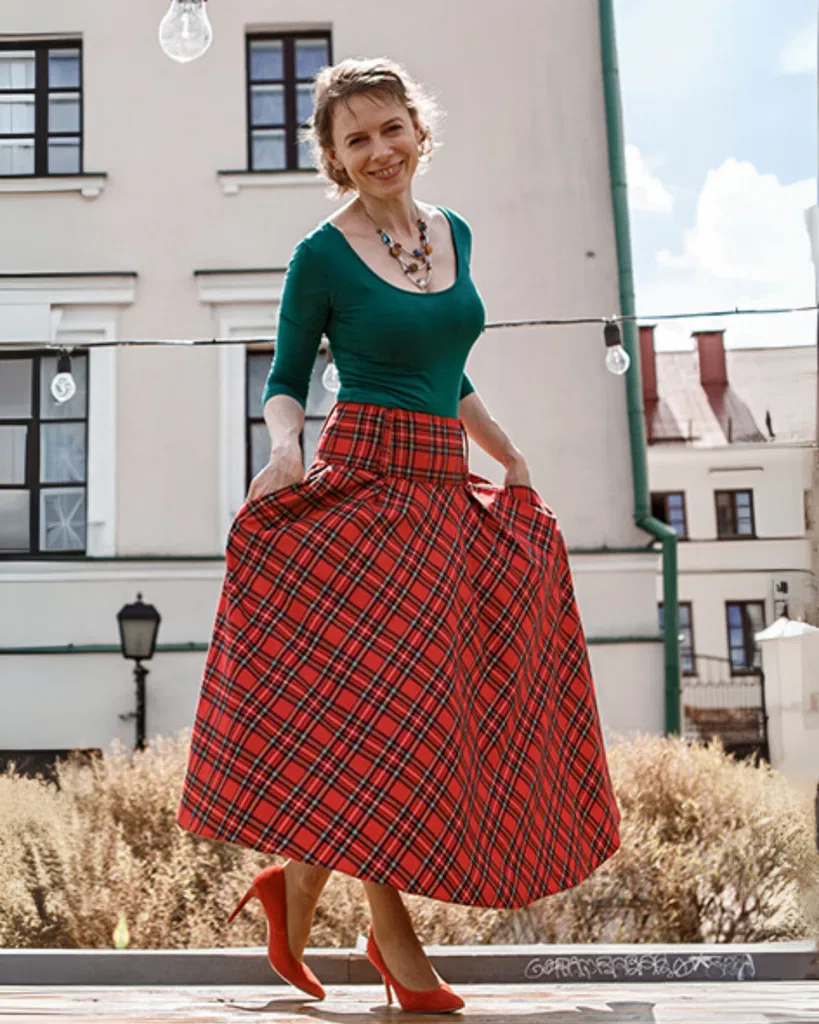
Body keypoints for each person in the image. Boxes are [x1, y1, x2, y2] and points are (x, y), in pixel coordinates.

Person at [177, 56, 620, 1013]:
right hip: (365, 489)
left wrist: (511, 455)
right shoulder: (321, 255)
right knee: (387, 721)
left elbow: (447, 370)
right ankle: (394, 943)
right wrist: (288, 448)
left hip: (442, 489)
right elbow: (285, 377)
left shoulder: (452, 233)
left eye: (390, 129)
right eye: (355, 140)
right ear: (334, 160)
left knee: (414, 721)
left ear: (418, 131)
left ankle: (292, 889)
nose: (378, 151)